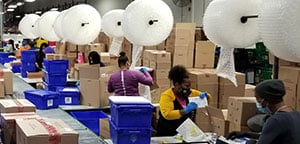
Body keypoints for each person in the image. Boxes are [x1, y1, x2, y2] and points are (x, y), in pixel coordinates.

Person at [226, 79, 300, 144]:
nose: (257, 101)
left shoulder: (275, 121)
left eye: (257, 98)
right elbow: (268, 135)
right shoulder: (296, 114)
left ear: (264, 100)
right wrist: (246, 134)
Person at [156, 65, 212, 136]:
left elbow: (207, 100)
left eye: (189, 86)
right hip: (167, 133)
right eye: (186, 86)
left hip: (185, 132)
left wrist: (206, 96)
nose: (188, 89)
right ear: (177, 84)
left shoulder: (190, 93)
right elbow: (167, 114)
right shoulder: (167, 96)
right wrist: (184, 111)